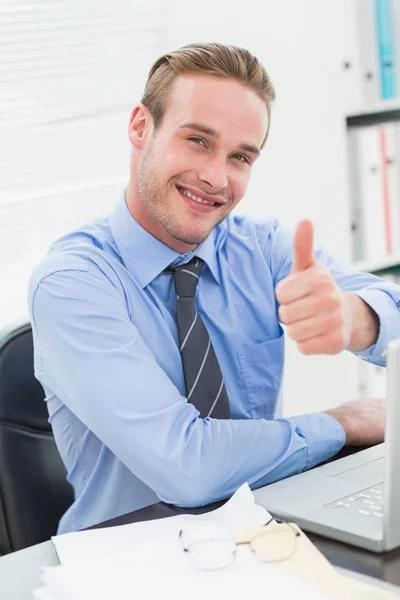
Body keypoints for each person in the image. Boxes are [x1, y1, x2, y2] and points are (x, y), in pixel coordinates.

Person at [28, 42, 399, 535]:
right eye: (198, 141)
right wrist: (343, 422)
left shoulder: (261, 247)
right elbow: (187, 467)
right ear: (141, 127)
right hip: (124, 564)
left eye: (241, 156)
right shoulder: (72, 285)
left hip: (260, 542)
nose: (216, 177)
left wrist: (358, 318)